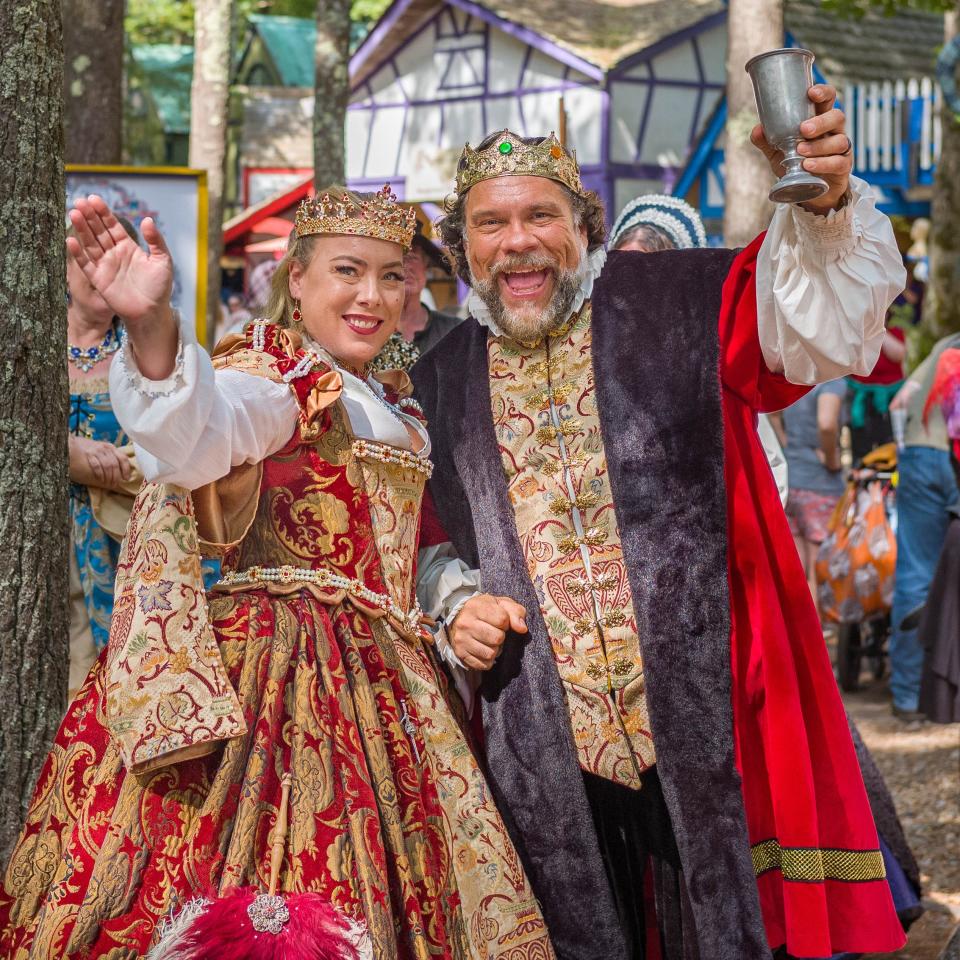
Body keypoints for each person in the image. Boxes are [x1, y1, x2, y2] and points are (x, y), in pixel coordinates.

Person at [412, 92, 909, 960]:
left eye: (541, 215)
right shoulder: (441, 375)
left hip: (711, 708)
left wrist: (823, 199)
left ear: (584, 227)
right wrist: (453, 602)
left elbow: (812, 331)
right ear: (461, 248)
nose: (517, 241)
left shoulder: (684, 296)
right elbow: (420, 531)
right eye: (490, 224)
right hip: (544, 736)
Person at [0, 188, 554, 959]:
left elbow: (405, 544)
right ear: (297, 279)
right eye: (348, 271)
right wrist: (153, 326)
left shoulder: (395, 399)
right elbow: (201, 439)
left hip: (389, 683)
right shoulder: (279, 373)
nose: (372, 296)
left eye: (393, 276)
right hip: (278, 673)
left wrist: (450, 601)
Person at [65, 217, 139, 695]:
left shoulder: (146, 356)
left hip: (119, 553)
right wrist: (63, 451)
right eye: (87, 257)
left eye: (115, 258)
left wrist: (103, 467)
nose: (100, 271)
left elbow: (175, 452)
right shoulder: (20, 344)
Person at [888, 332, 960, 721]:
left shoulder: (947, 343)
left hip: (919, 451)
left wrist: (907, 448)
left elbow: (900, 401)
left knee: (916, 572)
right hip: (954, 455)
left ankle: (908, 698)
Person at [782, 380, 847, 608]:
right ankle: (816, 637)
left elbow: (771, 414)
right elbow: (827, 423)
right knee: (818, 570)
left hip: (790, 479)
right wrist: (832, 460)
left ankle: (796, 638)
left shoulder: (794, 376)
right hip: (819, 485)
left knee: (796, 571)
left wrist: (788, 447)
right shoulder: (832, 381)